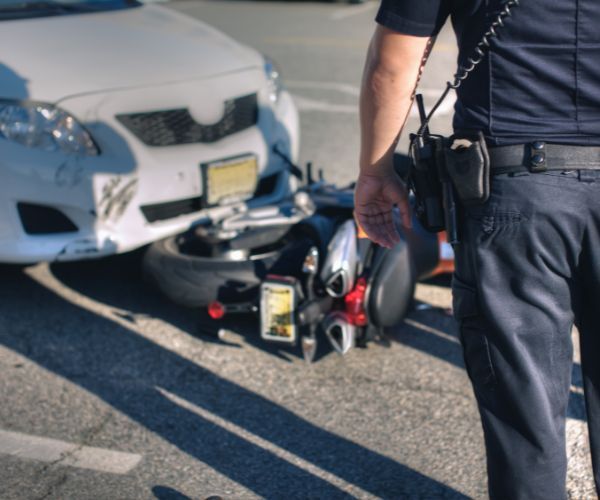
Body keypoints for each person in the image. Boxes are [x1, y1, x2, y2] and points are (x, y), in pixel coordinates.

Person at [354, 0, 600, 498]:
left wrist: (376, 171)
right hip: (520, 192)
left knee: (522, 408)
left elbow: (395, 60)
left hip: (519, 192)